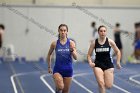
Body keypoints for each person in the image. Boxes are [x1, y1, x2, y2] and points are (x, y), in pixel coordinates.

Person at [87, 25, 121, 93]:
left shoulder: (110, 41)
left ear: (106, 32)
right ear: (98, 32)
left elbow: (118, 51)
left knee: (109, 86)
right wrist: (90, 62)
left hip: (108, 65)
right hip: (98, 64)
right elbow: (88, 55)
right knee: (101, 83)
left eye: (104, 31)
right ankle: (101, 86)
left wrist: (118, 62)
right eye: (101, 31)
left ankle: (102, 87)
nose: (103, 32)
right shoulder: (94, 42)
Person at [47, 24, 77, 93]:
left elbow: (75, 58)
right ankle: (58, 89)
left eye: (64, 30)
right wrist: (49, 67)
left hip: (68, 70)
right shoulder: (54, 43)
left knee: (65, 91)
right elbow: (49, 54)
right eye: (61, 30)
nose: (63, 32)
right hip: (58, 69)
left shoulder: (71, 43)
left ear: (67, 32)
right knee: (60, 86)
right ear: (58, 31)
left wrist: (72, 51)